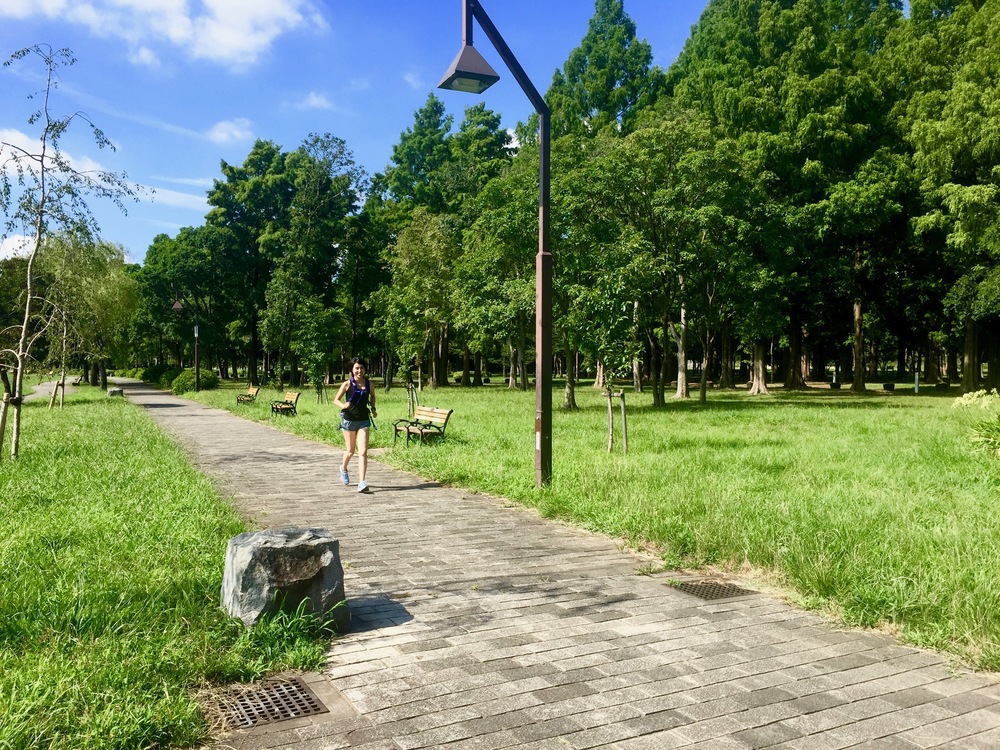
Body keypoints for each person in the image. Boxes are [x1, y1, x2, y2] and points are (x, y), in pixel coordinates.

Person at [333, 357, 377, 493]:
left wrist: (373, 409)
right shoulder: (347, 384)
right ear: (352, 369)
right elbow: (336, 400)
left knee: (363, 451)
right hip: (349, 420)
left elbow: (373, 396)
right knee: (350, 451)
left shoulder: (369, 384)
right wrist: (343, 405)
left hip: (364, 420)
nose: (359, 370)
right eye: (357, 368)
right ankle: (344, 468)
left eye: (362, 368)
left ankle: (362, 482)